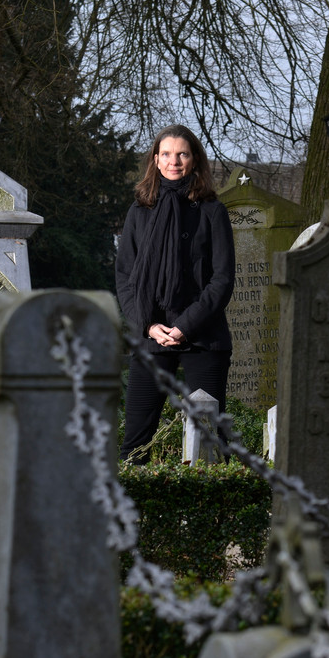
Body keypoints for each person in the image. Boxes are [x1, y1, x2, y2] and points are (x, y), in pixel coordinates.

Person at [115, 125, 235, 463]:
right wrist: (149, 326)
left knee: (210, 442)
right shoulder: (140, 211)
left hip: (202, 336)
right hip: (153, 335)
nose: (174, 161)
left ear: (194, 159)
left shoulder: (212, 211)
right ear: (155, 159)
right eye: (166, 154)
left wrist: (185, 326)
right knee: (134, 443)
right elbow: (125, 277)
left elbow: (222, 279)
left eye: (182, 153)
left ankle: (211, 515)